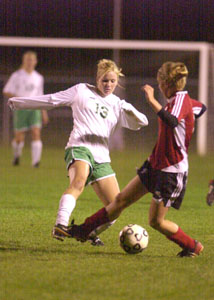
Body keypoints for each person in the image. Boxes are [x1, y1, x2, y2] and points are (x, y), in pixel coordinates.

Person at [66, 61, 207, 257]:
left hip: (171, 171)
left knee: (156, 222)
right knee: (121, 200)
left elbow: (172, 121)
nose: (158, 88)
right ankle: (83, 230)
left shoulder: (181, 101)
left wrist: (151, 100)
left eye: (159, 84)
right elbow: (202, 108)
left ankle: (192, 246)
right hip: (154, 165)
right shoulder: (182, 103)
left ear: (167, 83)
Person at [8, 59, 149, 246]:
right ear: (97, 78)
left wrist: (127, 107)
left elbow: (141, 123)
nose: (108, 85)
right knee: (79, 181)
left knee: (116, 206)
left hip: (102, 157)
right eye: (104, 80)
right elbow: (52, 100)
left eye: (112, 81)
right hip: (79, 147)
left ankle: (87, 232)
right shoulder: (81, 91)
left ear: (117, 82)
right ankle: (61, 224)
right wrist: (19, 103)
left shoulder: (116, 103)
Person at [3, 51, 48, 167]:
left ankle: (36, 162)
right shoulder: (17, 75)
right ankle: (17, 156)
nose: (30, 62)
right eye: (27, 60)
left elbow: (40, 95)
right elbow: (6, 91)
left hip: (34, 108)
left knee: (36, 133)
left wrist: (44, 112)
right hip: (21, 108)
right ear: (24, 61)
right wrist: (18, 99)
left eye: (32, 60)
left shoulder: (38, 77)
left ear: (35, 62)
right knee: (19, 137)